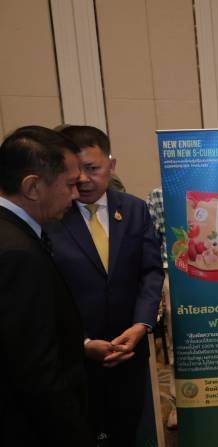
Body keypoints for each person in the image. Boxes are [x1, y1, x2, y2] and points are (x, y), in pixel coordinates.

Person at [47, 125, 164, 445]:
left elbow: (151, 271)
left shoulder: (134, 209)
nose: (84, 179)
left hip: (129, 348)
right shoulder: (53, 215)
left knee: (125, 430)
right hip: (74, 356)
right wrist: (82, 342)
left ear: (111, 165)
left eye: (92, 168)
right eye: (76, 171)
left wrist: (141, 325)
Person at [0, 126, 92, 446]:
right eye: (70, 184)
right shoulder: (17, 253)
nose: (76, 195)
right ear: (33, 186)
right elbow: (35, 372)